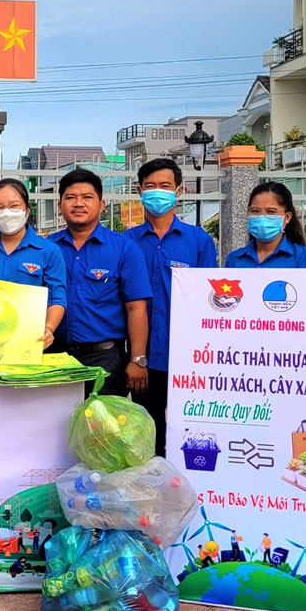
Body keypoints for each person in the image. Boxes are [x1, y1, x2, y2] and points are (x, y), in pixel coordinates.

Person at [128, 158, 219, 457]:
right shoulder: (126, 242)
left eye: (165, 186)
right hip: (142, 358)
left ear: (179, 191)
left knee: (191, 434)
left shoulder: (198, 241)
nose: (157, 193)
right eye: (150, 187)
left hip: (187, 356)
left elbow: (211, 301)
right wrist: (136, 358)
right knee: (147, 434)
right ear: (139, 190)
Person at [48, 169, 153, 398]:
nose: (78, 203)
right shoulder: (47, 248)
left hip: (105, 360)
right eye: (70, 197)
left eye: (87, 197)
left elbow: (136, 308)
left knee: (101, 430)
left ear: (101, 204)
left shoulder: (124, 249)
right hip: (54, 357)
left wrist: (138, 359)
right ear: (60, 205)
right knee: (54, 429)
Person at [0, 179, 68, 349]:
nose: (6, 213)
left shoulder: (48, 251)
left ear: (27, 208)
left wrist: (49, 328)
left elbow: (57, 297)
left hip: (30, 339)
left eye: (14, 206)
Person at [224, 182, 306, 269]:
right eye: (255, 211)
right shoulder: (234, 259)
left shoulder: (304, 256)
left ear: (287, 217)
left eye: (271, 211)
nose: (262, 217)